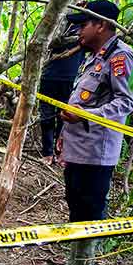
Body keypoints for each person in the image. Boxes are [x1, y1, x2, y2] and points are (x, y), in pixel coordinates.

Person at [45, 0, 133, 265]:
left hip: (98, 151)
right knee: (75, 203)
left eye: (83, 24)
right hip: (78, 145)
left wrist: (86, 116)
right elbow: (83, 97)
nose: (78, 32)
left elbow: (126, 102)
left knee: (90, 208)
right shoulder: (94, 57)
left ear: (101, 25)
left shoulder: (121, 57)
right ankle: (74, 261)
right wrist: (64, 133)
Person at [39, 21, 84, 164]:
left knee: (64, 118)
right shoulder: (58, 25)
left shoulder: (85, 29)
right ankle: (47, 153)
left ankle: (60, 153)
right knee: (46, 117)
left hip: (69, 81)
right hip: (48, 78)